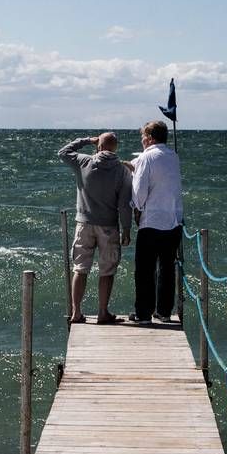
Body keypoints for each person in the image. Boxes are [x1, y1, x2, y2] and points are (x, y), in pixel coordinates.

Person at [56, 131, 133, 324]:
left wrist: (86, 140)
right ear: (116, 148)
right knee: (107, 270)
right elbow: (125, 205)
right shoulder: (122, 170)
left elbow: (63, 152)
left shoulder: (83, 162)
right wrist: (126, 229)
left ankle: (76, 312)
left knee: (80, 268)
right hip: (109, 226)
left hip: (84, 223)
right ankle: (102, 312)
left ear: (98, 146)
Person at [129, 120, 183, 324]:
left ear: (150, 138)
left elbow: (140, 191)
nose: (142, 139)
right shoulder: (173, 156)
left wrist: (136, 209)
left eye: (143, 136)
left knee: (144, 270)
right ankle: (164, 311)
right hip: (173, 220)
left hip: (151, 221)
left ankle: (143, 313)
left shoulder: (146, 157)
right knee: (167, 268)